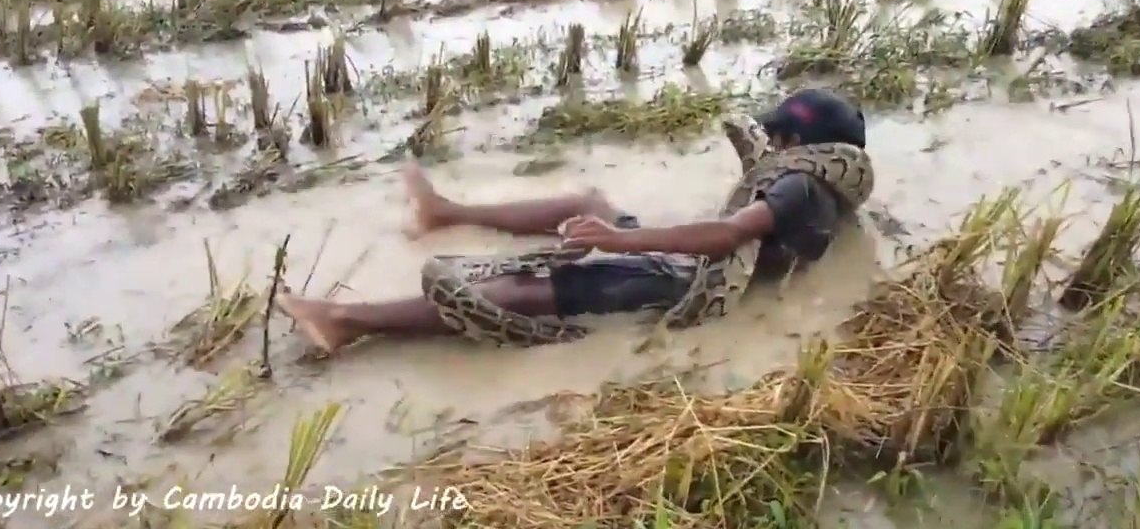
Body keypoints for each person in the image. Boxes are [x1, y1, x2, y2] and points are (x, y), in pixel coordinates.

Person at [276, 88, 868, 353]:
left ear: (804, 145)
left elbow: (730, 235)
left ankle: (347, 320)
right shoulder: (828, 190)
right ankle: (445, 213)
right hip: (694, 259)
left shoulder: (799, 185)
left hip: (687, 277)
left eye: (782, 135)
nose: (773, 142)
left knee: (527, 291)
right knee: (582, 202)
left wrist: (620, 240)